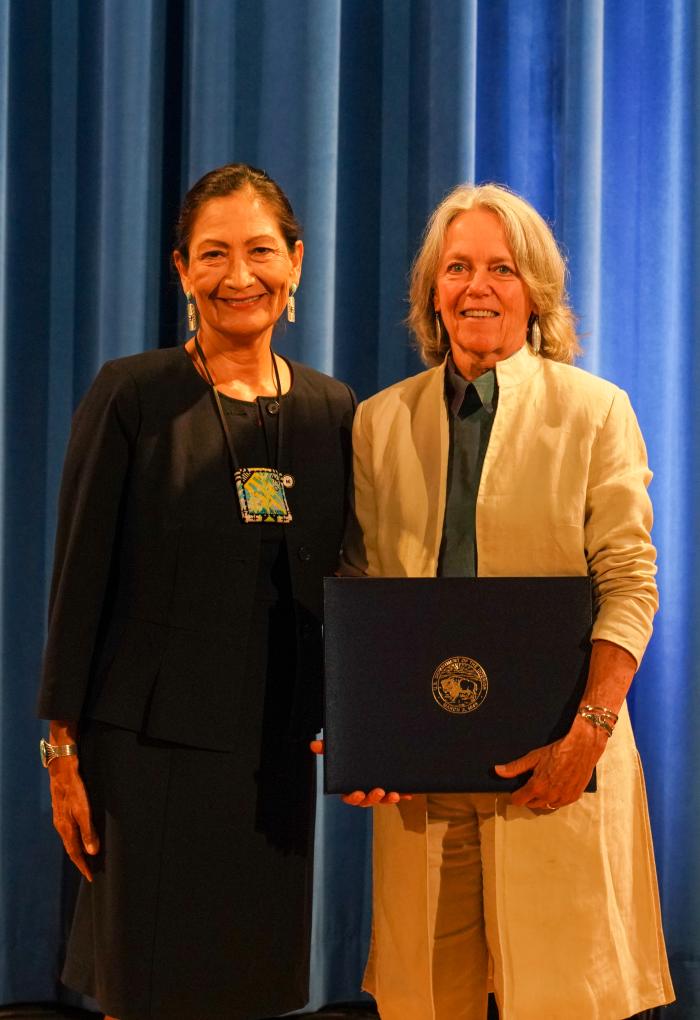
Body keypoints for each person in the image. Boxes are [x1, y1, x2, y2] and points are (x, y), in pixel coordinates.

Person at [337, 184, 675, 1018]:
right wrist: (364, 738)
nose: (476, 286)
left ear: (537, 292)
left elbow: (630, 584)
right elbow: (361, 590)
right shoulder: (379, 425)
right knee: (425, 999)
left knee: (560, 997)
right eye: (457, 268)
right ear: (431, 292)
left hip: (556, 760)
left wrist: (588, 733)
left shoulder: (596, 414)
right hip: (423, 779)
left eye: (501, 267)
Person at [37, 163, 355, 1020]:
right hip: (147, 754)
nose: (238, 276)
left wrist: (365, 722)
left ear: (296, 262)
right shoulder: (133, 394)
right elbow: (78, 579)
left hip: (275, 758)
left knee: (258, 989)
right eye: (213, 254)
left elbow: (352, 586)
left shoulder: (333, 411)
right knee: (146, 991)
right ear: (182, 271)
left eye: (260, 251)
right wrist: (61, 751)